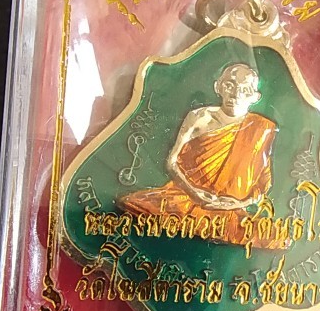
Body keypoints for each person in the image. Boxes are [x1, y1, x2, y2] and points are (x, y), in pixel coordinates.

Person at [119, 63, 282, 248]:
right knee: (134, 206)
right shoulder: (199, 118)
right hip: (185, 198)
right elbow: (171, 162)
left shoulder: (262, 129)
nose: (236, 95)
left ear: (255, 97)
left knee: (275, 240)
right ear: (218, 87)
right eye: (229, 85)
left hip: (231, 211)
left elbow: (263, 183)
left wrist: (235, 204)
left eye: (245, 90)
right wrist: (195, 193)